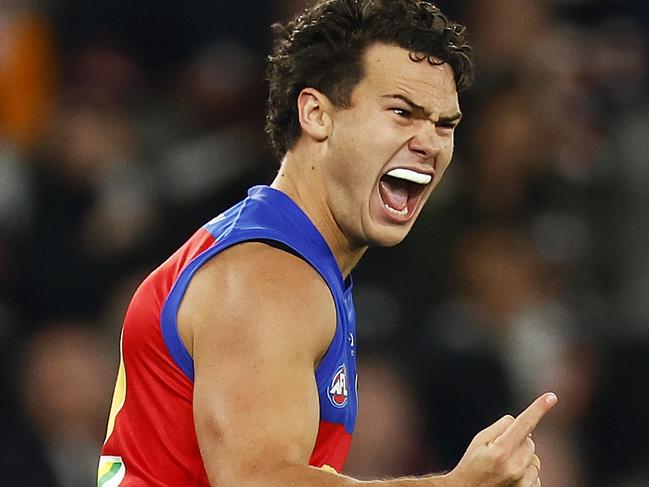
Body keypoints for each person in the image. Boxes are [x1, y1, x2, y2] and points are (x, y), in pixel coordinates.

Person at [98, 1, 557, 486]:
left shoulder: (287, 258)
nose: (431, 142)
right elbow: (261, 482)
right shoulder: (269, 278)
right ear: (316, 114)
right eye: (402, 112)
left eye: (445, 124)